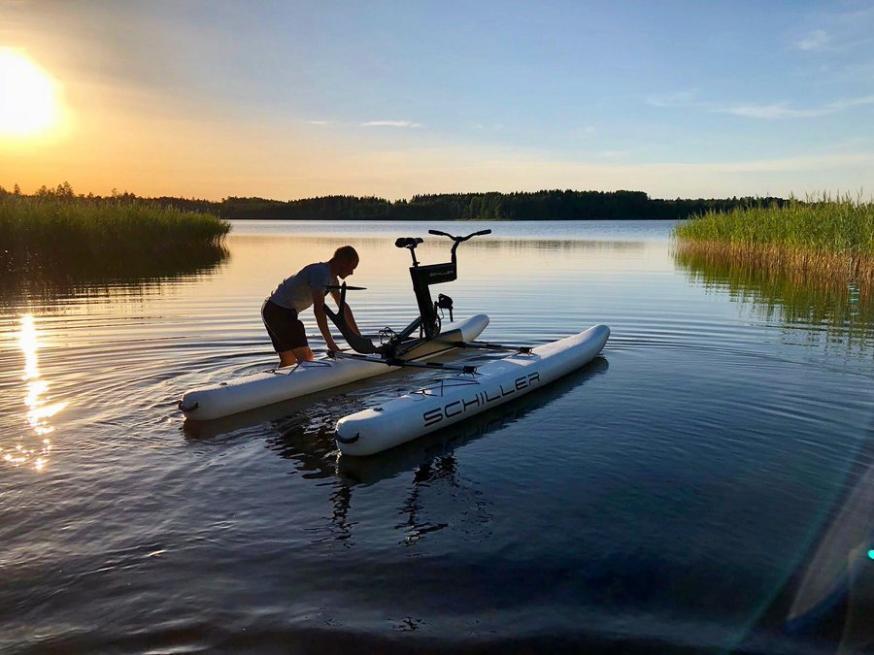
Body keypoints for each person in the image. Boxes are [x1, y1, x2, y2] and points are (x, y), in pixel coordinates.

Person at [262, 245, 361, 366]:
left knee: (288, 361)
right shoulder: (321, 273)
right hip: (279, 312)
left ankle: (278, 384)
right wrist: (330, 343)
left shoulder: (332, 279)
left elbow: (343, 307)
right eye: (352, 267)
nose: (351, 273)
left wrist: (358, 339)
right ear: (343, 262)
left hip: (271, 310)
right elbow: (319, 310)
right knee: (307, 359)